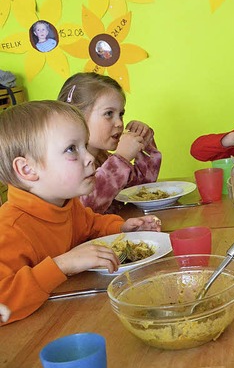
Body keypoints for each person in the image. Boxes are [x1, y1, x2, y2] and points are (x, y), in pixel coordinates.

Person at [0, 101, 161, 325]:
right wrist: (62, 265)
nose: (89, 158)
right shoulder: (9, 229)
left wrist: (121, 227)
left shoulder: (66, 203)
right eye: (71, 149)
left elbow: (91, 225)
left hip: (69, 317)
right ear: (28, 169)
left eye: (84, 145)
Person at [58, 73, 162, 214]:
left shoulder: (103, 157)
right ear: (77, 117)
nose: (119, 123)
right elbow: (85, 210)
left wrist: (144, 144)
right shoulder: (67, 162)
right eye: (108, 114)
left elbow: (140, 190)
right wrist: (121, 159)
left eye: (121, 114)